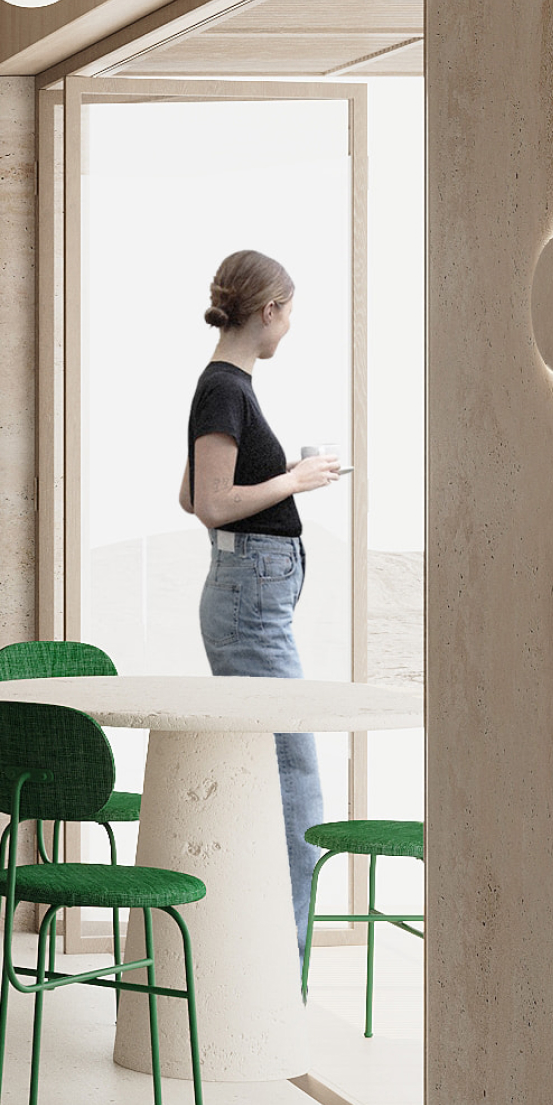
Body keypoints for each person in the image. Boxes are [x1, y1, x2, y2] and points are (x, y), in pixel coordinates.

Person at [177, 249, 340, 948]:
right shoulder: (225, 388)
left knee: (272, 767)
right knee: (293, 770)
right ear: (268, 311)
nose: (289, 328)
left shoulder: (226, 386)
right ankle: (285, 964)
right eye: (289, 313)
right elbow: (211, 503)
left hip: (249, 592)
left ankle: (266, 954)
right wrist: (295, 479)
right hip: (250, 595)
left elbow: (188, 494)